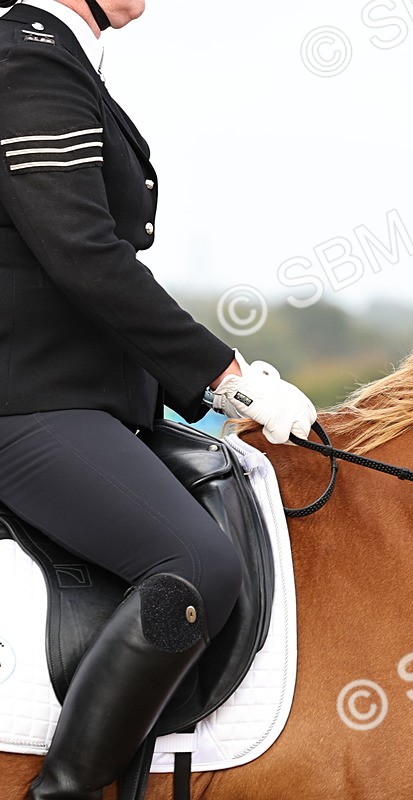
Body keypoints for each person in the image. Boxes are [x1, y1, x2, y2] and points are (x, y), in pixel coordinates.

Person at [0, 1, 317, 797]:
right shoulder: (26, 58)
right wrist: (224, 375)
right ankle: (64, 790)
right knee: (195, 564)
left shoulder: (59, 59)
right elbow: (82, 253)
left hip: (81, 395)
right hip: (24, 397)